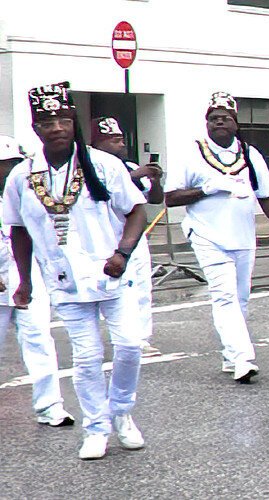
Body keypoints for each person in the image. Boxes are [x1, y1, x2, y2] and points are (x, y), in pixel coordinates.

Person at [6, 82, 150, 460]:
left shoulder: (103, 165)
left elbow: (136, 210)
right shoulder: (22, 176)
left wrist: (122, 253)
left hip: (111, 272)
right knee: (86, 358)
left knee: (130, 347)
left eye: (62, 118)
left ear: (73, 122)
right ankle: (96, 428)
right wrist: (24, 281)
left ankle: (121, 412)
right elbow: (19, 230)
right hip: (64, 280)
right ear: (36, 128)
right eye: (46, 121)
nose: (55, 127)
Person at [164, 92, 269, 383]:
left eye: (225, 118)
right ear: (206, 123)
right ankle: (243, 358)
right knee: (225, 296)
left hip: (243, 237)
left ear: (235, 123)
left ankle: (230, 357)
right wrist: (206, 189)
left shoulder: (250, 154)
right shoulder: (191, 153)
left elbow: (266, 197)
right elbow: (170, 198)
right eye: (213, 118)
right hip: (207, 236)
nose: (219, 122)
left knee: (240, 299)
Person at [0, 134, 75, 428]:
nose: (9, 171)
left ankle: (50, 406)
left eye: (14, 164)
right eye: (4, 165)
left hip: (28, 280)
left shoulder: (31, 195)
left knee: (40, 341)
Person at [88, 117, 162, 362]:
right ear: (98, 143)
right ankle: (109, 337)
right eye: (114, 140)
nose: (121, 144)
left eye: (121, 139)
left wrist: (154, 179)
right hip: (105, 239)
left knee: (141, 286)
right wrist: (134, 174)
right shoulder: (89, 166)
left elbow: (153, 199)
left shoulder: (128, 164)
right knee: (105, 290)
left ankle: (141, 339)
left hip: (134, 236)